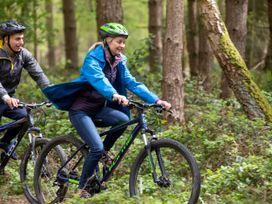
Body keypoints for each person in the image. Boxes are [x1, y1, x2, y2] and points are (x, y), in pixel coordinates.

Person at [42, 22, 171, 198]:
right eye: (119, 41)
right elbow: (98, 79)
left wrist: (156, 100)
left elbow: (132, 83)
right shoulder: (92, 59)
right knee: (95, 147)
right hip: (81, 111)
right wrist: (113, 94)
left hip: (99, 109)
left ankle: (104, 152)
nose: (122, 46)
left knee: (123, 120)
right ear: (108, 41)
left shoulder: (119, 61)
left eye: (124, 42)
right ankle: (83, 187)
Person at [0, 20, 50, 160]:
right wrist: (5, 96)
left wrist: (53, 93)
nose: (21, 42)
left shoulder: (23, 54)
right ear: (5, 39)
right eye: (17, 39)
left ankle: (4, 143)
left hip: (8, 99)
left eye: (22, 38)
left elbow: (39, 75)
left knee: (24, 117)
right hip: (5, 98)